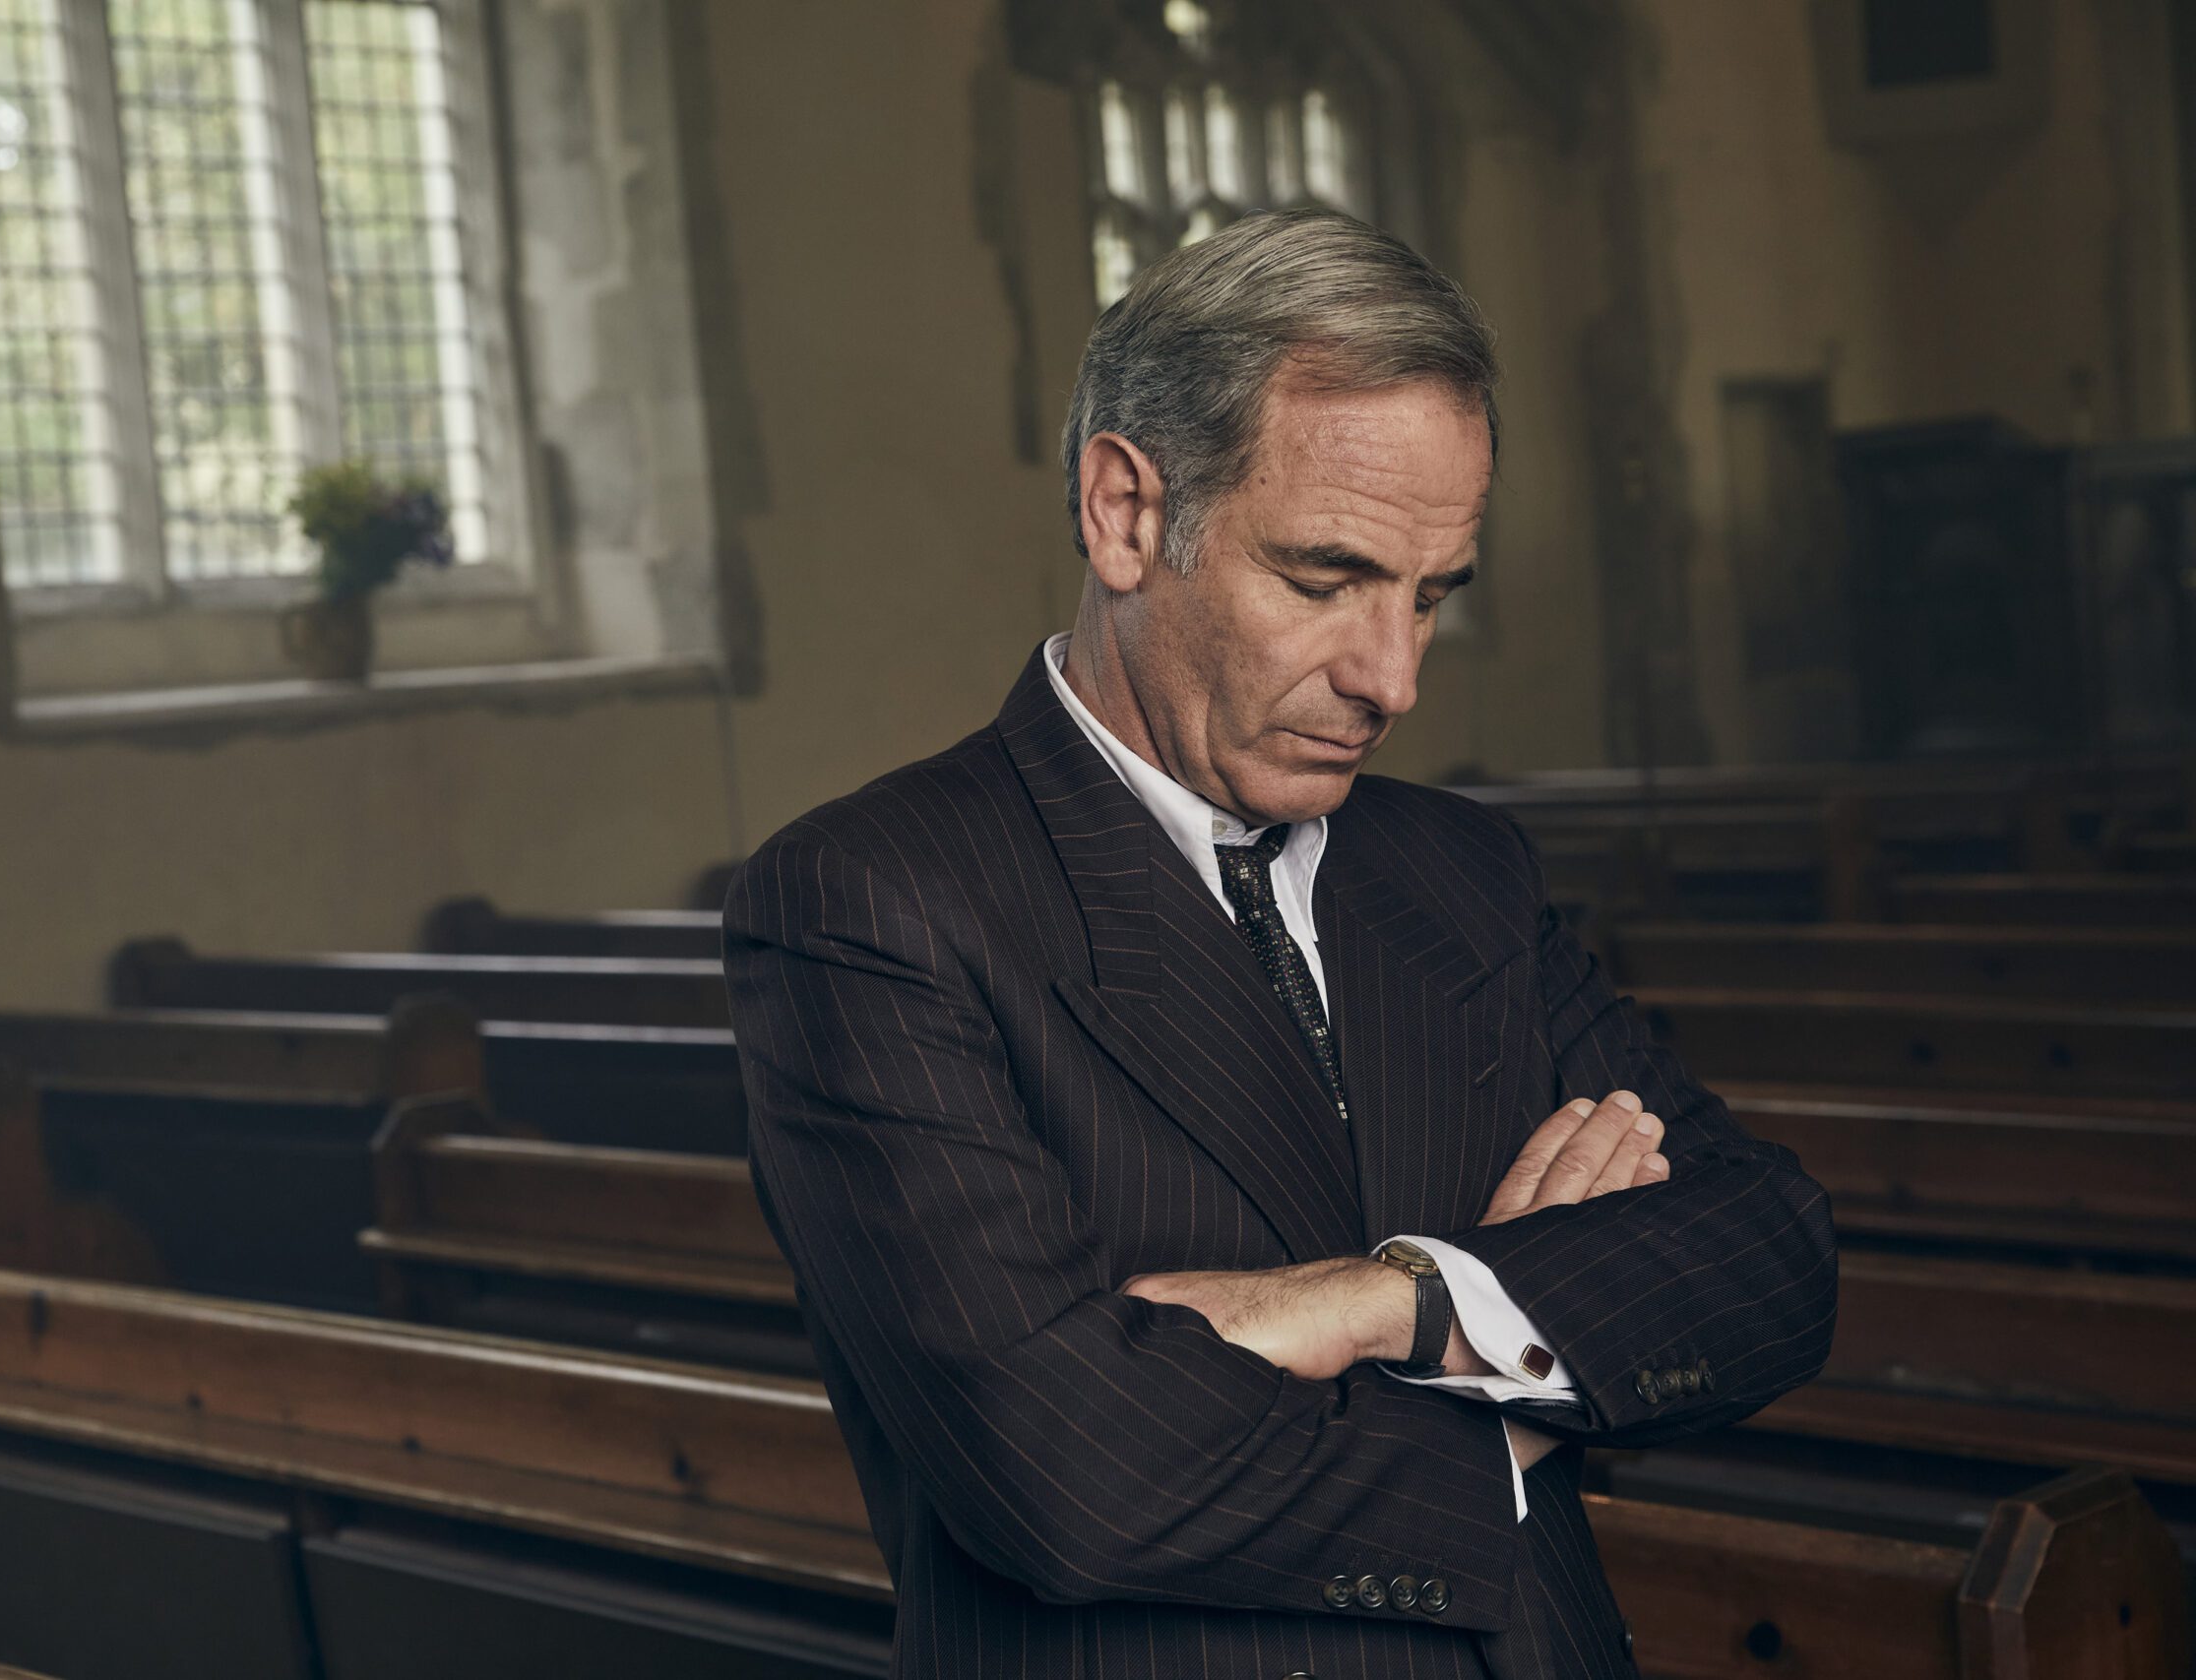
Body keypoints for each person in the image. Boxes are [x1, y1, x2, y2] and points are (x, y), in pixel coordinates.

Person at [723, 209, 1836, 1680]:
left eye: (1431, 595)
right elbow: (1062, 1472)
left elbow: (1770, 1258)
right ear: (1124, 512)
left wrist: (1393, 1301)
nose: (1395, 679)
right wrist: (1532, 1359)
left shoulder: (1459, 867)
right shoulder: (869, 902)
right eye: (1325, 582)